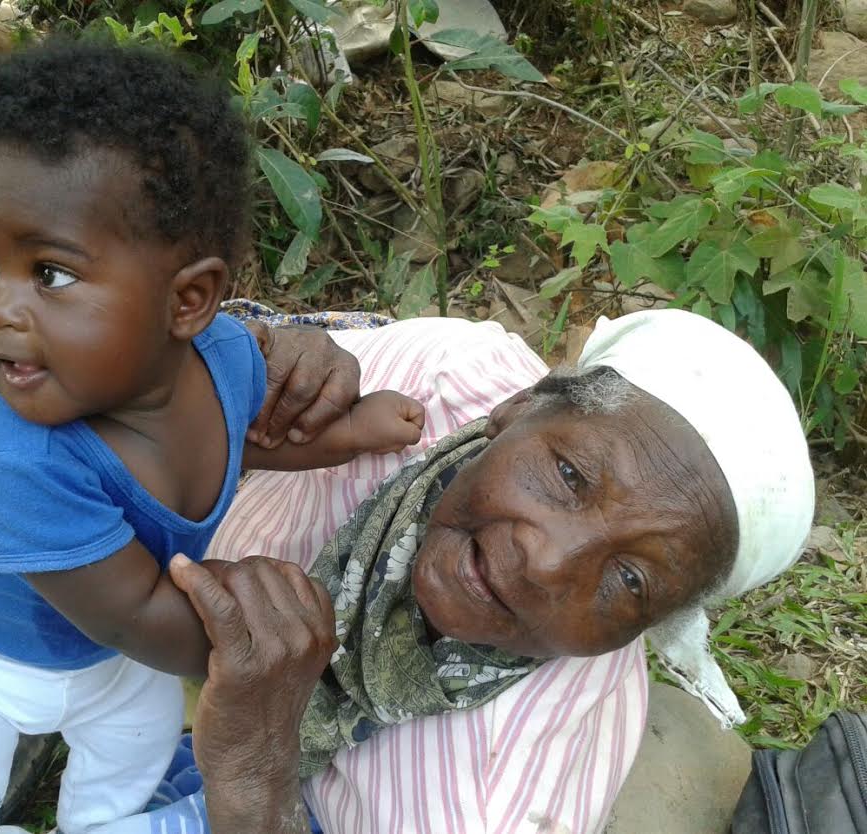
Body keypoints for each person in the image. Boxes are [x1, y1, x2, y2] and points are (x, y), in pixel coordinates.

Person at [0, 40, 425, 834]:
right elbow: (133, 614)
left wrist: (346, 435)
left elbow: (244, 438)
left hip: (102, 654)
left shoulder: (227, 354)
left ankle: (102, 821)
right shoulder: (21, 465)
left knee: (129, 751)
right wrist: (271, 655)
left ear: (189, 301)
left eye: (50, 273)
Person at [162, 306, 815, 834]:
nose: (550, 561)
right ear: (520, 406)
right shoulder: (441, 377)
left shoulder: (498, 798)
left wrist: (253, 777)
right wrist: (269, 369)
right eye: (568, 476)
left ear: (649, 627)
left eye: (631, 581)